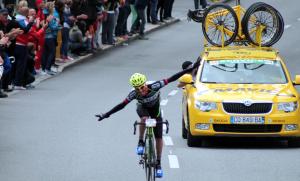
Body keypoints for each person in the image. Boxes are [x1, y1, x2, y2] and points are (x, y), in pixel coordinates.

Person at [95, 62, 199, 178]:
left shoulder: (154, 85)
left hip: (155, 109)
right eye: (137, 89)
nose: (141, 90)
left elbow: (172, 78)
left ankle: (158, 163)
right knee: (144, 118)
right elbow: (121, 105)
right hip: (142, 108)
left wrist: (190, 70)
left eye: (142, 87)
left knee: (158, 137)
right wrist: (106, 114)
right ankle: (141, 141)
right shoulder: (134, 94)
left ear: (145, 84)